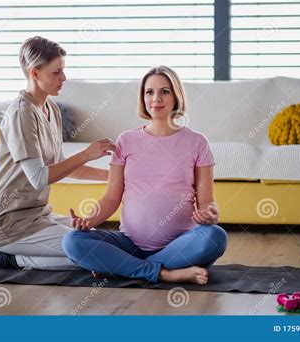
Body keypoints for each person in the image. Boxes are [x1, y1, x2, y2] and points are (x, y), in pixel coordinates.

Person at [62, 66, 227, 284]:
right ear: (143, 98)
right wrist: (89, 220)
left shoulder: (197, 142)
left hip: (178, 245)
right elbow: (111, 198)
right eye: (149, 92)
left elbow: (206, 201)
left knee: (215, 237)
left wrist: (211, 214)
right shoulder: (125, 141)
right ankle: (165, 273)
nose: (156, 99)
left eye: (164, 91)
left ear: (176, 96)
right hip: (129, 244)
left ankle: (121, 267)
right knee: (73, 241)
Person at [0, 36, 115, 270]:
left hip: (37, 216)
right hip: (5, 222)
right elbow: (39, 177)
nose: (64, 78)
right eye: (56, 72)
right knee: (92, 254)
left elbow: (63, 167)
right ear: (34, 73)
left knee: (102, 241)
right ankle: (9, 258)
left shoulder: (51, 109)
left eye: (63, 70)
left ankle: (12, 255)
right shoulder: (21, 113)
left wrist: (111, 177)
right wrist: (86, 153)